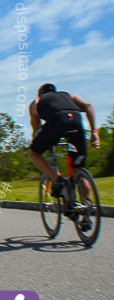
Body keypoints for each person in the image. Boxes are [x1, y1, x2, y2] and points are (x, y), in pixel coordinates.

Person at [28, 83, 100, 217]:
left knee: (34, 153)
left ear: (40, 94)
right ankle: (86, 209)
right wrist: (94, 132)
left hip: (56, 121)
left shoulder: (36, 102)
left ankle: (57, 180)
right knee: (77, 169)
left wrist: (38, 142)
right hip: (76, 121)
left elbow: (36, 130)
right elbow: (88, 106)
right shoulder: (67, 95)